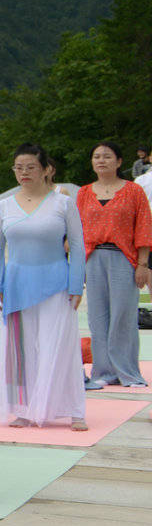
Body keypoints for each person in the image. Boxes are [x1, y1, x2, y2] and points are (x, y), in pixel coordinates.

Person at [0, 145, 88, 431]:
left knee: (60, 346)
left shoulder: (63, 203)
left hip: (56, 283)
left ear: (47, 169)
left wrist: (76, 284)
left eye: (30, 166)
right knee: (21, 349)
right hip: (18, 285)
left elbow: (79, 247)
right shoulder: (5, 206)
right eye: (18, 167)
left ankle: (73, 409)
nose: (23, 172)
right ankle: (24, 408)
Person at [80, 141, 152, 391]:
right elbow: (77, 230)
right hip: (92, 258)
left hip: (123, 257)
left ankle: (128, 372)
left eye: (107, 157)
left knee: (123, 315)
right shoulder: (85, 192)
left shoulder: (133, 191)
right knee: (98, 317)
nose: (101, 160)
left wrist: (143, 264)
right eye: (96, 156)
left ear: (119, 162)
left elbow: (143, 227)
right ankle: (104, 371)